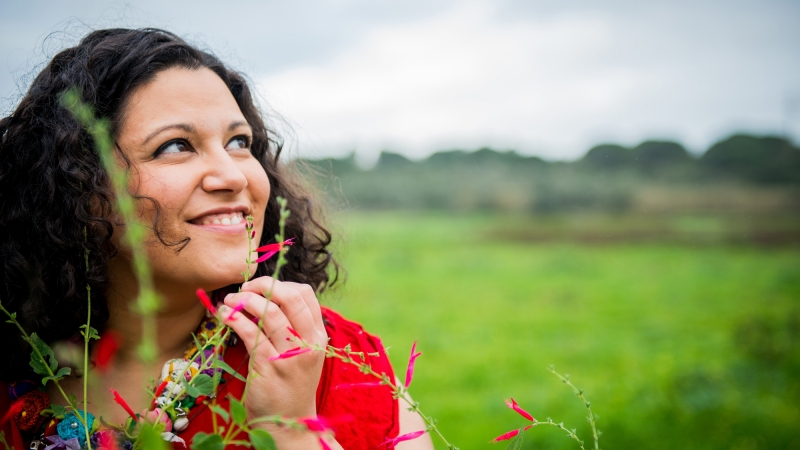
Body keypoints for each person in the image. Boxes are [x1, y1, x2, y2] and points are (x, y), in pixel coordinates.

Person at [0, 28, 434, 450]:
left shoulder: (338, 361)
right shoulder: (14, 355)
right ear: (77, 187)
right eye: (175, 146)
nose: (232, 174)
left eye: (239, 142)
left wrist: (293, 433)